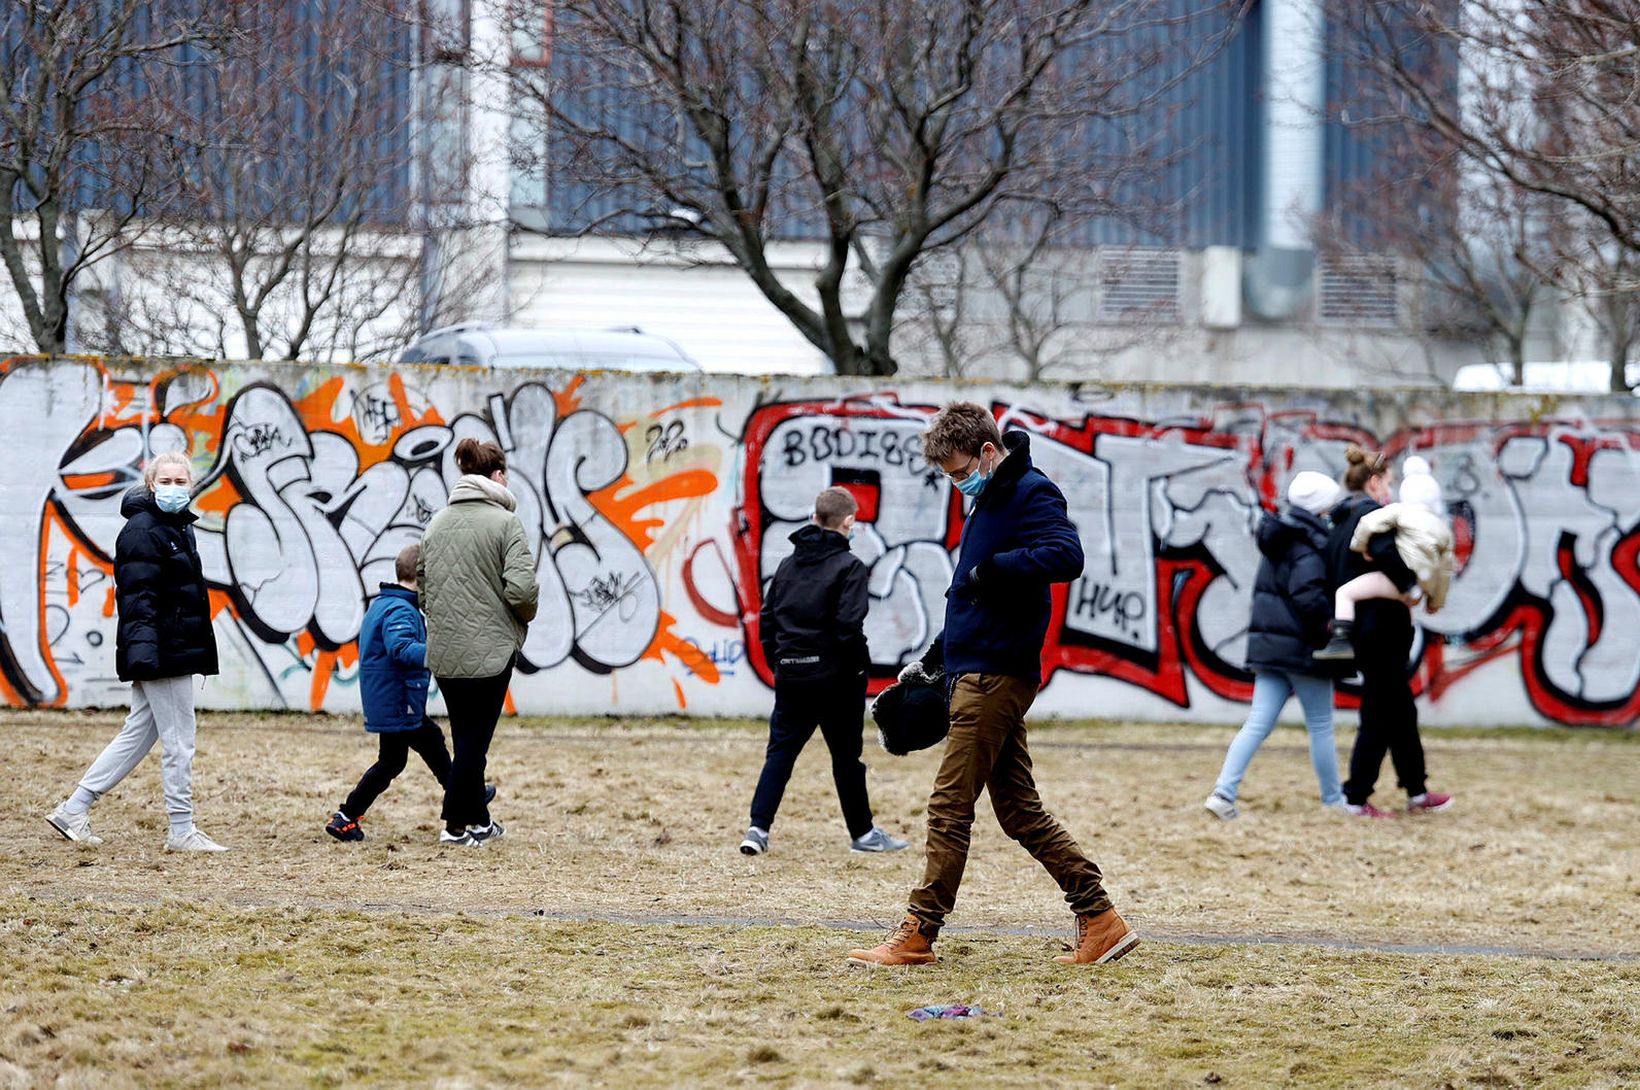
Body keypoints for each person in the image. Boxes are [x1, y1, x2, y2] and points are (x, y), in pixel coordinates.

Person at [846, 403, 1136, 969]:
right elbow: (968, 595)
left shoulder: (1030, 491)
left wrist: (994, 570)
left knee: (949, 806)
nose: (957, 483)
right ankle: (1101, 920)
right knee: (1019, 810)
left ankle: (919, 934)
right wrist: (936, 657)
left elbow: (1067, 555)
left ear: (986, 450)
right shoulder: (988, 499)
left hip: (995, 676)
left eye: (959, 471)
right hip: (974, 667)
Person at [45, 449, 226, 852]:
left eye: (181, 482)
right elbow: (137, 600)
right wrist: (147, 657)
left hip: (170, 649)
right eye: (166, 481)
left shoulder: (176, 526)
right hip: (163, 653)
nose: (174, 488)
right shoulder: (143, 529)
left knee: (138, 735)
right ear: (150, 485)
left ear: (192, 487)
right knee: (180, 740)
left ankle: (74, 808)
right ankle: (181, 830)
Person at [740, 487, 906, 857]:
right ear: (848, 522)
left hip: (792, 676)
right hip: (838, 682)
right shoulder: (850, 568)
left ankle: (757, 830)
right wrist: (859, 668)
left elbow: (767, 622)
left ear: (815, 518)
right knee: (847, 758)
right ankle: (863, 836)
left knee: (780, 753)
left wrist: (780, 662)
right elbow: (850, 627)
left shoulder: (787, 565)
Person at [325, 543, 495, 842]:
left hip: (394, 700)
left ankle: (346, 817)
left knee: (397, 759)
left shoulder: (386, 603)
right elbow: (401, 648)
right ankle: (468, 797)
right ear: (421, 577)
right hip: (399, 701)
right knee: (427, 746)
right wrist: (439, 653)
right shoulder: (400, 609)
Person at [1203, 471, 1346, 820]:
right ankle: (1333, 801)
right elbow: (1308, 596)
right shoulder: (1307, 544)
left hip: (1272, 647)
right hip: (1302, 648)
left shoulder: (1281, 536)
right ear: (1321, 507)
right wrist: (1330, 626)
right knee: (1321, 725)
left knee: (1257, 723)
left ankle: (1223, 792)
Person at [418, 438, 539, 847]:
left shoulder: (436, 524)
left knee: (466, 738)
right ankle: (454, 826)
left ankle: (481, 823)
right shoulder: (506, 524)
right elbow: (522, 590)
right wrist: (518, 621)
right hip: (492, 651)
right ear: (498, 476)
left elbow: (423, 587)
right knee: (474, 742)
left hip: (446, 651)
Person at [1324, 446, 1453, 818]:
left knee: (1399, 711)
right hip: (1381, 630)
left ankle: (1416, 790)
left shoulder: (1340, 522)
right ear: (1375, 481)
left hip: (1367, 631)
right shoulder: (1373, 517)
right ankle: (1356, 797)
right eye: (1389, 483)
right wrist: (1413, 585)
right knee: (1381, 713)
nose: (1392, 492)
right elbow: (1399, 566)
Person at [1314, 456, 1454, 662]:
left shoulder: (1392, 511)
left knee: (1344, 593)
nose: (1390, 491)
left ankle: (1340, 640)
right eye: (1389, 484)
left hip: (1394, 588)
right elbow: (1445, 567)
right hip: (1421, 581)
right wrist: (1434, 600)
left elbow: (1369, 526)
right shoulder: (1442, 528)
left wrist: (1360, 546)